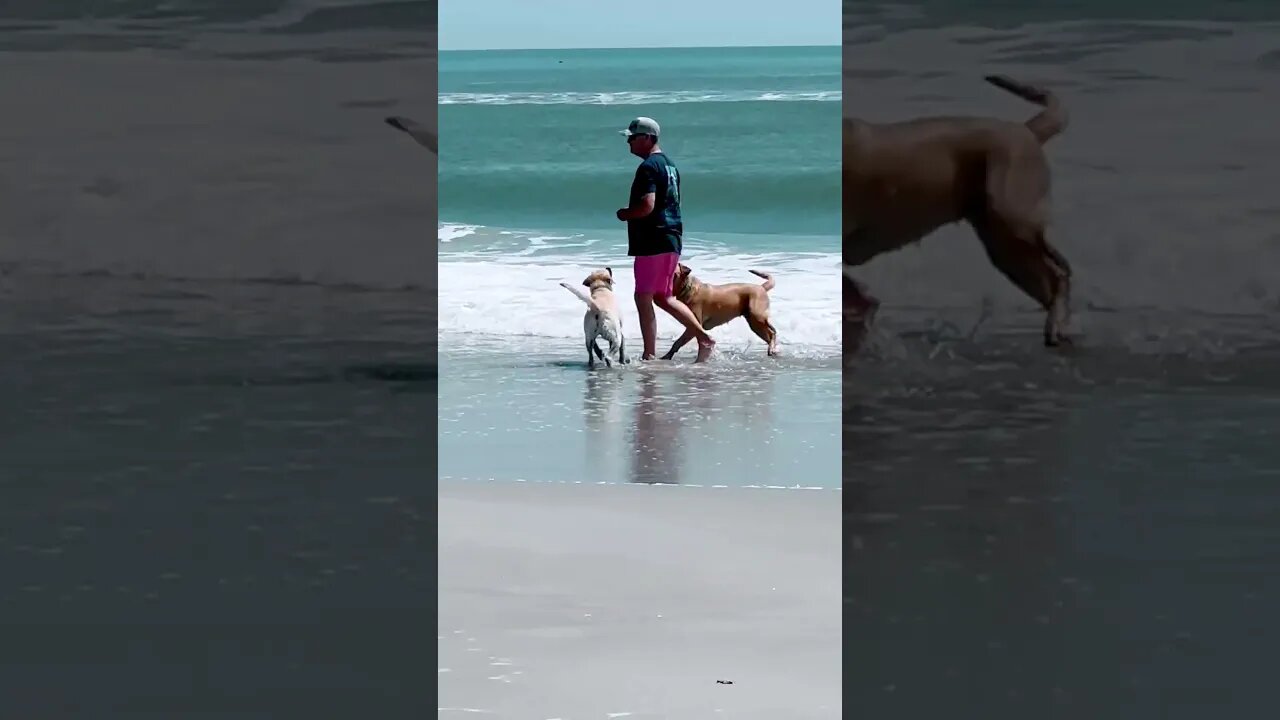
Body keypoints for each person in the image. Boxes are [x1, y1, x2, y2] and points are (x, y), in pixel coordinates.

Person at [615, 116, 715, 363]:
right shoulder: (670, 165)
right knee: (663, 296)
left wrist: (625, 214)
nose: (628, 142)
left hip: (653, 239)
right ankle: (704, 338)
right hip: (671, 237)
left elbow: (647, 206)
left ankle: (650, 354)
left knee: (643, 296)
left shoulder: (649, 167)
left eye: (632, 137)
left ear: (647, 138)